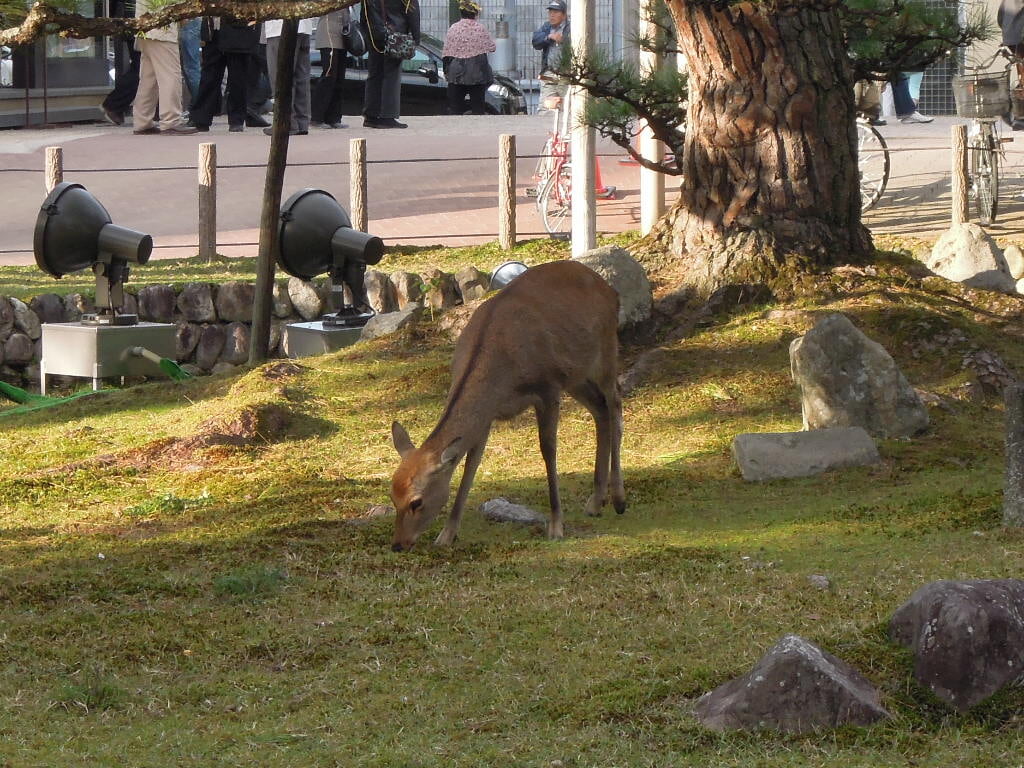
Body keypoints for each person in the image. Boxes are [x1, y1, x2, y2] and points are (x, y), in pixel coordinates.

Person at [131, 0, 197, 135]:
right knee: (171, 76)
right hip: (162, 31)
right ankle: (171, 120)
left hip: (145, 29)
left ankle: (142, 121)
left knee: (149, 80)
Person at [188, 16, 261, 132]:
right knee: (209, 76)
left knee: (238, 78)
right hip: (213, 30)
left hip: (239, 30)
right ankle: (201, 118)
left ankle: (236, 119)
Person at [362, 0, 421, 129]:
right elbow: (412, 10)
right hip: (395, 35)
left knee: (374, 75)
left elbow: (365, 13)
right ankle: (387, 116)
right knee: (391, 76)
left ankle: (371, 116)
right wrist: (416, 37)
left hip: (374, 36)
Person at [442, 0, 496, 115]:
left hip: (457, 71)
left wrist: (447, 72)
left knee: (455, 107)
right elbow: (492, 47)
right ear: (475, 14)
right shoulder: (480, 28)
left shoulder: (454, 28)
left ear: (461, 13)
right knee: (478, 106)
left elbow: (446, 52)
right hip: (477, 71)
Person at [264, 17, 314, 136]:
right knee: (301, 76)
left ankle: (286, 122)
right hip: (304, 25)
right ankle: (302, 121)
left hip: (280, 27)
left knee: (281, 76)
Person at [311, 9, 353, 129]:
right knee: (329, 76)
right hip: (329, 35)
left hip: (343, 34)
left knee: (339, 78)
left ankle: (334, 117)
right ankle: (317, 117)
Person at [532, 0, 569, 111]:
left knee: (567, 107)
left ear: (564, 15)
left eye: (556, 12)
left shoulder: (571, 27)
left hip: (567, 73)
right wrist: (548, 37)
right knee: (545, 108)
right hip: (549, 73)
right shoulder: (546, 27)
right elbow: (535, 42)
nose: (552, 15)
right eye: (550, 12)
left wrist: (564, 40)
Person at [1000, 0, 1024, 129]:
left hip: (1011, 38)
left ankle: (1019, 113)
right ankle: (1020, 115)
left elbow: (1000, 18)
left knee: (1022, 73)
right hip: (1019, 36)